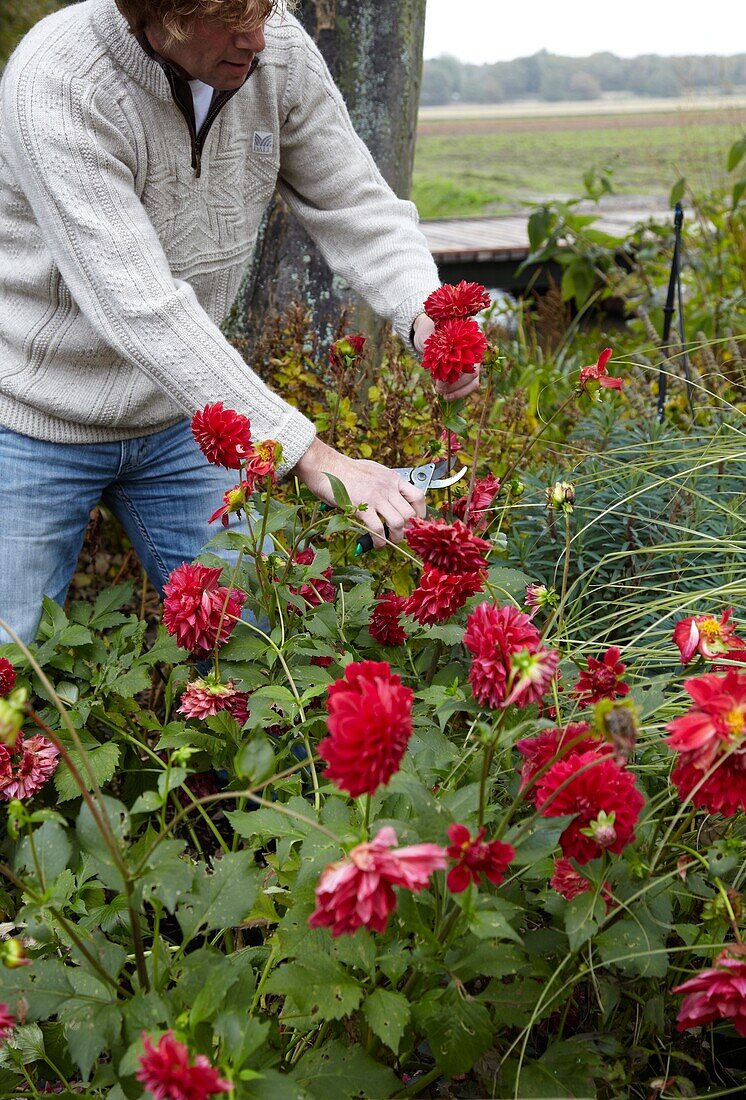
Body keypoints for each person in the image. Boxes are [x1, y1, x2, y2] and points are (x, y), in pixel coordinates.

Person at [0, 0, 480, 645]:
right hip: (31, 419)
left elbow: (356, 202)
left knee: (254, 642)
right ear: (160, 12)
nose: (258, 39)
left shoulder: (271, 47)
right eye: (232, 23)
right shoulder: (59, 84)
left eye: (265, 11)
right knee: (14, 661)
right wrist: (310, 454)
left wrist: (429, 313)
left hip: (185, 416)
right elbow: (139, 307)